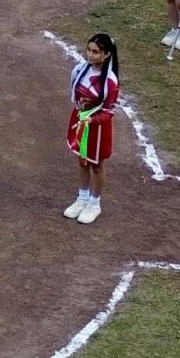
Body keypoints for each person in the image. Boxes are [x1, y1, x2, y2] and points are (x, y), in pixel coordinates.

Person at [65, 32, 121, 223]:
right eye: (89, 50)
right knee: (82, 160)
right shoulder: (79, 70)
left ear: (106, 55)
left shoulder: (110, 82)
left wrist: (91, 121)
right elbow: (74, 95)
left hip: (97, 129)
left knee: (96, 166)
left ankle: (94, 203)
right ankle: (81, 198)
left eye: (96, 52)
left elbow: (109, 112)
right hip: (81, 122)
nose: (90, 55)